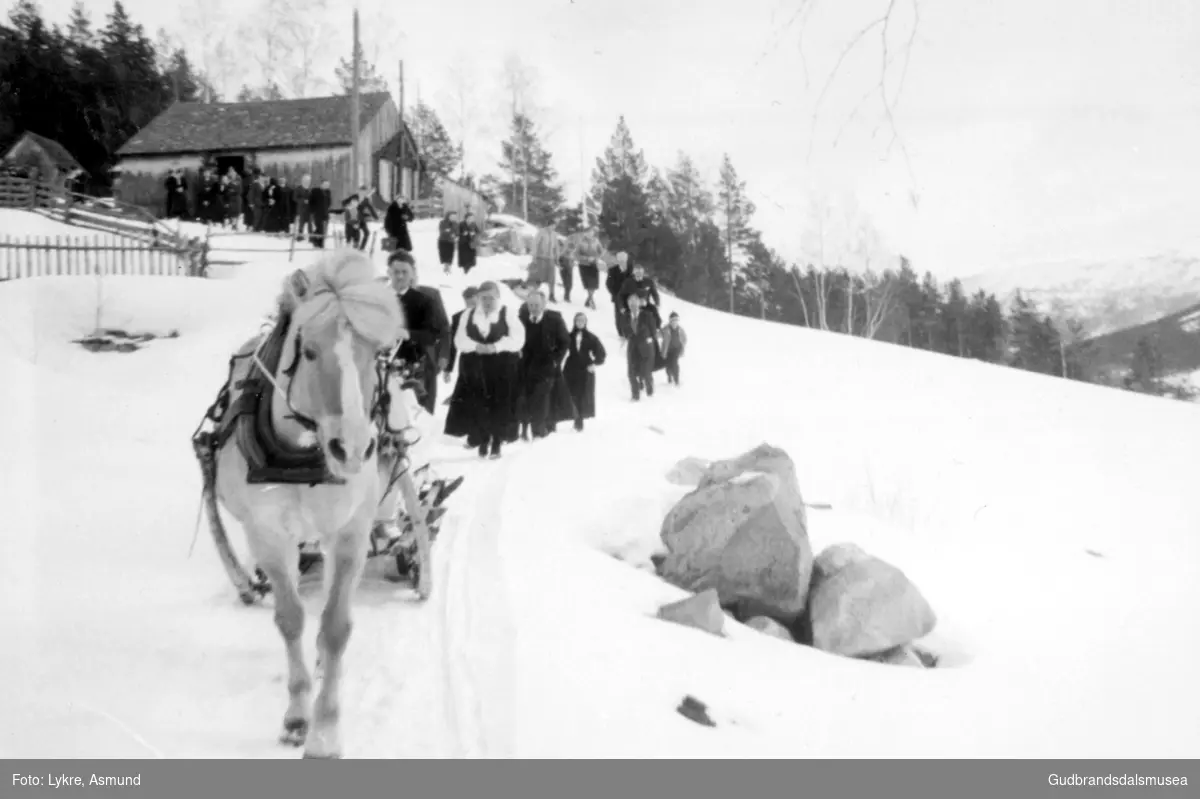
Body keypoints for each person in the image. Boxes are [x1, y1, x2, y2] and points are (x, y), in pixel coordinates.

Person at [452, 281, 525, 459]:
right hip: (476, 367)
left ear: (498, 297)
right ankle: (483, 440)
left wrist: (496, 346)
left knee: (499, 405)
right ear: (477, 298)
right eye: (483, 298)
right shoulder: (468, 314)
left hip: (502, 367)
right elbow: (459, 339)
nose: (487, 301)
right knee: (479, 404)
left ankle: (497, 442)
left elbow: (518, 339)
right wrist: (475, 346)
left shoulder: (507, 313)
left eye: (491, 298)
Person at [387, 250, 449, 416]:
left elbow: (437, 331)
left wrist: (408, 334)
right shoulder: (378, 298)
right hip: (384, 363)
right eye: (395, 272)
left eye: (405, 272)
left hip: (416, 362)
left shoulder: (426, 299)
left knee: (415, 414)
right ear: (388, 272)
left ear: (413, 273)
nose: (400, 276)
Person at [517, 288, 572, 440]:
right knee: (525, 398)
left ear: (544, 304)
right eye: (530, 305)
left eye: (536, 305)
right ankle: (525, 430)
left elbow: (565, 341)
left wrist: (556, 360)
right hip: (526, 366)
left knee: (541, 399)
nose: (533, 308)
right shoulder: (521, 318)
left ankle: (538, 432)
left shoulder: (554, 319)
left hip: (547, 366)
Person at [442, 287, 483, 450]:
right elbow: (452, 345)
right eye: (467, 302)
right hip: (467, 364)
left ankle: (479, 437)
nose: (470, 305)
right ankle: (469, 434)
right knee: (466, 400)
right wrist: (448, 369)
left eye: (473, 301)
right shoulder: (458, 317)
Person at [563, 311, 606, 431]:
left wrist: (594, 363)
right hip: (571, 367)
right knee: (569, 393)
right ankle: (570, 417)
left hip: (584, 368)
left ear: (586, 322)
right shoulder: (568, 336)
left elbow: (601, 353)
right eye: (578, 320)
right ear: (574, 322)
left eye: (582, 320)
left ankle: (579, 420)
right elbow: (561, 348)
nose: (580, 323)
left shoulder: (591, 337)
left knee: (582, 395)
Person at [624, 293, 661, 401]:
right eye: (631, 303)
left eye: (635, 303)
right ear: (628, 305)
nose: (633, 305)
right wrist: (627, 334)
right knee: (631, 373)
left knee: (646, 372)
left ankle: (650, 391)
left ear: (639, 303)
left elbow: (653, 330)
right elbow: (624, 330)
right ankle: (635, 396)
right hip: (632, 347)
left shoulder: (647, 315)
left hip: (646, 347)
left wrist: (651, 339)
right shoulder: (626, 316)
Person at [618, 262, 663, 329]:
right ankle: (627, 332)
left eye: (640, 272)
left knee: (654, 311)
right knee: (627, 316)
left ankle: (657, 329)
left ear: (643, 273)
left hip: (645, 304)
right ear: (634, 273)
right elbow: (621, 295)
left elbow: (655, 294)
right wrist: (621, 307)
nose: (639, 274)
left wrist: (657, 303)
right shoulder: (628, 282)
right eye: (637, 272)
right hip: (632, 304)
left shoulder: (648, 282)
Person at [570, 225, 604, 309]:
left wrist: (595, 258)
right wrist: (586, 258)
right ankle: (591, 301)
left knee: (593, 284)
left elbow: (601, 252)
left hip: (594, 265)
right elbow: (575, 254)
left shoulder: (596, 241)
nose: (589, 233)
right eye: (588, 232)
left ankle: (589, 299)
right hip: (584, 266)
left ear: (593, 232)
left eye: (591, 232)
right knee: (588, 284)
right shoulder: (581, 242)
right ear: (585, 233)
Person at [529, 225, 562, 302]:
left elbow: (556, 246)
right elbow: (535, 244)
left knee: (551, 278)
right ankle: (533, 294)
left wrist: (557, 257)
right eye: (552, 224)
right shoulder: (541, 232)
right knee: (538, 277)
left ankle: (551, 295)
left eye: (555, 225)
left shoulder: (554, 234)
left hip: (550, 259)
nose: (553, 226)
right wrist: (534, 256)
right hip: (540, 258)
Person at [606, 251, 632, 335]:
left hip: (629, 297)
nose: (622, 261)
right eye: (620, 260)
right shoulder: (612, 270)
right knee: (619, 315)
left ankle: (628, 332)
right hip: (617, 296)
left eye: (624, 260)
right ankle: (620, 332)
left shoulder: (631, 269)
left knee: (628, 315)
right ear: (618, 260)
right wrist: (614, 293)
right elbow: (608, 283)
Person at [660, 311, 687, 386]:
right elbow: (659, 334)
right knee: (668, 365)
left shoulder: (680, 329)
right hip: (667, 350)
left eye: (676, 320)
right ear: (670, 321)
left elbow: (685, 338)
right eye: (673, 320)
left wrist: (682, 346)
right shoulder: (666, 329)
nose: (674, 322)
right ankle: (669, 376)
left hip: (676, 349)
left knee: (674, 363)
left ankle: (676, 379)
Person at [309, 178, 332, 248]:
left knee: (324, 230)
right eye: (325, 184)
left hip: (325, 213)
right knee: (320, 229)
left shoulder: (328, 192)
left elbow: (329, 202)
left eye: (328, 185)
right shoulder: (315, 191)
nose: (326, 186)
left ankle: (315, 240)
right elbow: (311, 202)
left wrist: (328, 209)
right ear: (321, 184)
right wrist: (313, 211)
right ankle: (320, 244)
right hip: (317, 213)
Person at [293, 174, 313, 241]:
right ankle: (299, 237)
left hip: (309, 210)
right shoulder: (298, 189)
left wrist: (311, 201)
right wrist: (303, 200)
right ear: (302, 181)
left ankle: (311, 237)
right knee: (301, 224)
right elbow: (294, 198)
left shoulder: (311, 189)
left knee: (310, 225)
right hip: (301, 209)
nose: (307, 182)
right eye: (306, 180)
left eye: (308, 181)